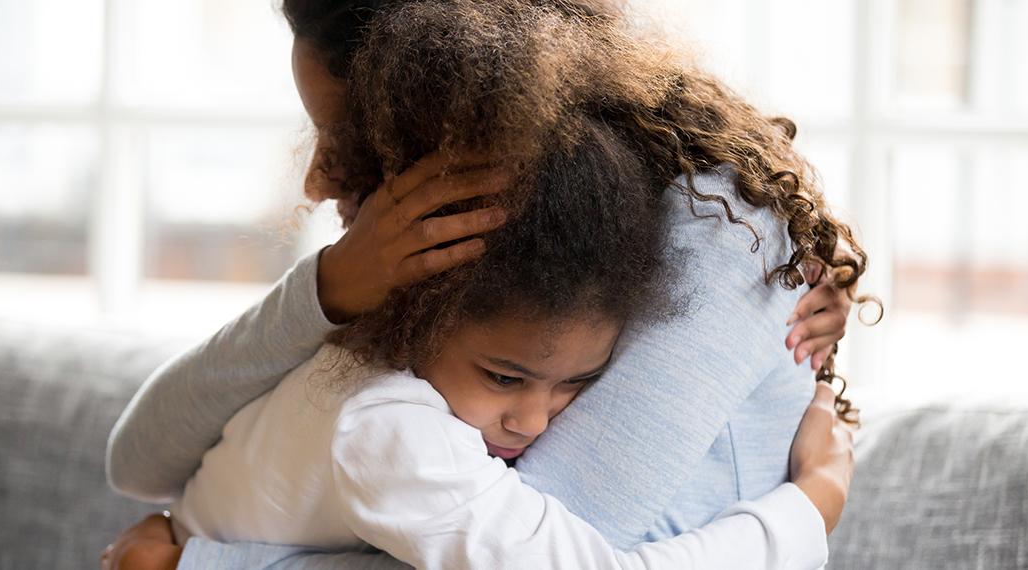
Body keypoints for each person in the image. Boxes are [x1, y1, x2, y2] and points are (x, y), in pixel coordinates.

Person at [104, 0, 866, 567]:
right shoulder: (458, 273)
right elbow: (139, 462)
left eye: (345, 136)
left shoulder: (720, 224)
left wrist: (197, 562)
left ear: (453, 98)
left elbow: (544, 546)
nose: (315, 179)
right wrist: (328, 288)